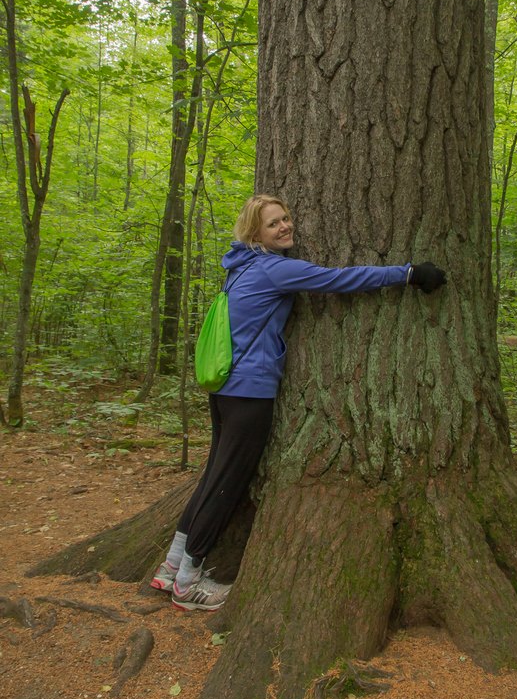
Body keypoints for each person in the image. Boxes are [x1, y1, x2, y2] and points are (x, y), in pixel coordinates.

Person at [151, 193, 447, 611]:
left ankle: (171, 567)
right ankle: (187, 582)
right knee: (227, 485)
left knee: (214, 476)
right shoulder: (274, 269)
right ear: (256, 233)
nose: (285, 226)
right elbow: (341, 279)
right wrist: (410, 273)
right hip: (249, 390)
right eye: (273, 224)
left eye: (285, 218)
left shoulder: (241, 267)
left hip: (226, 388)